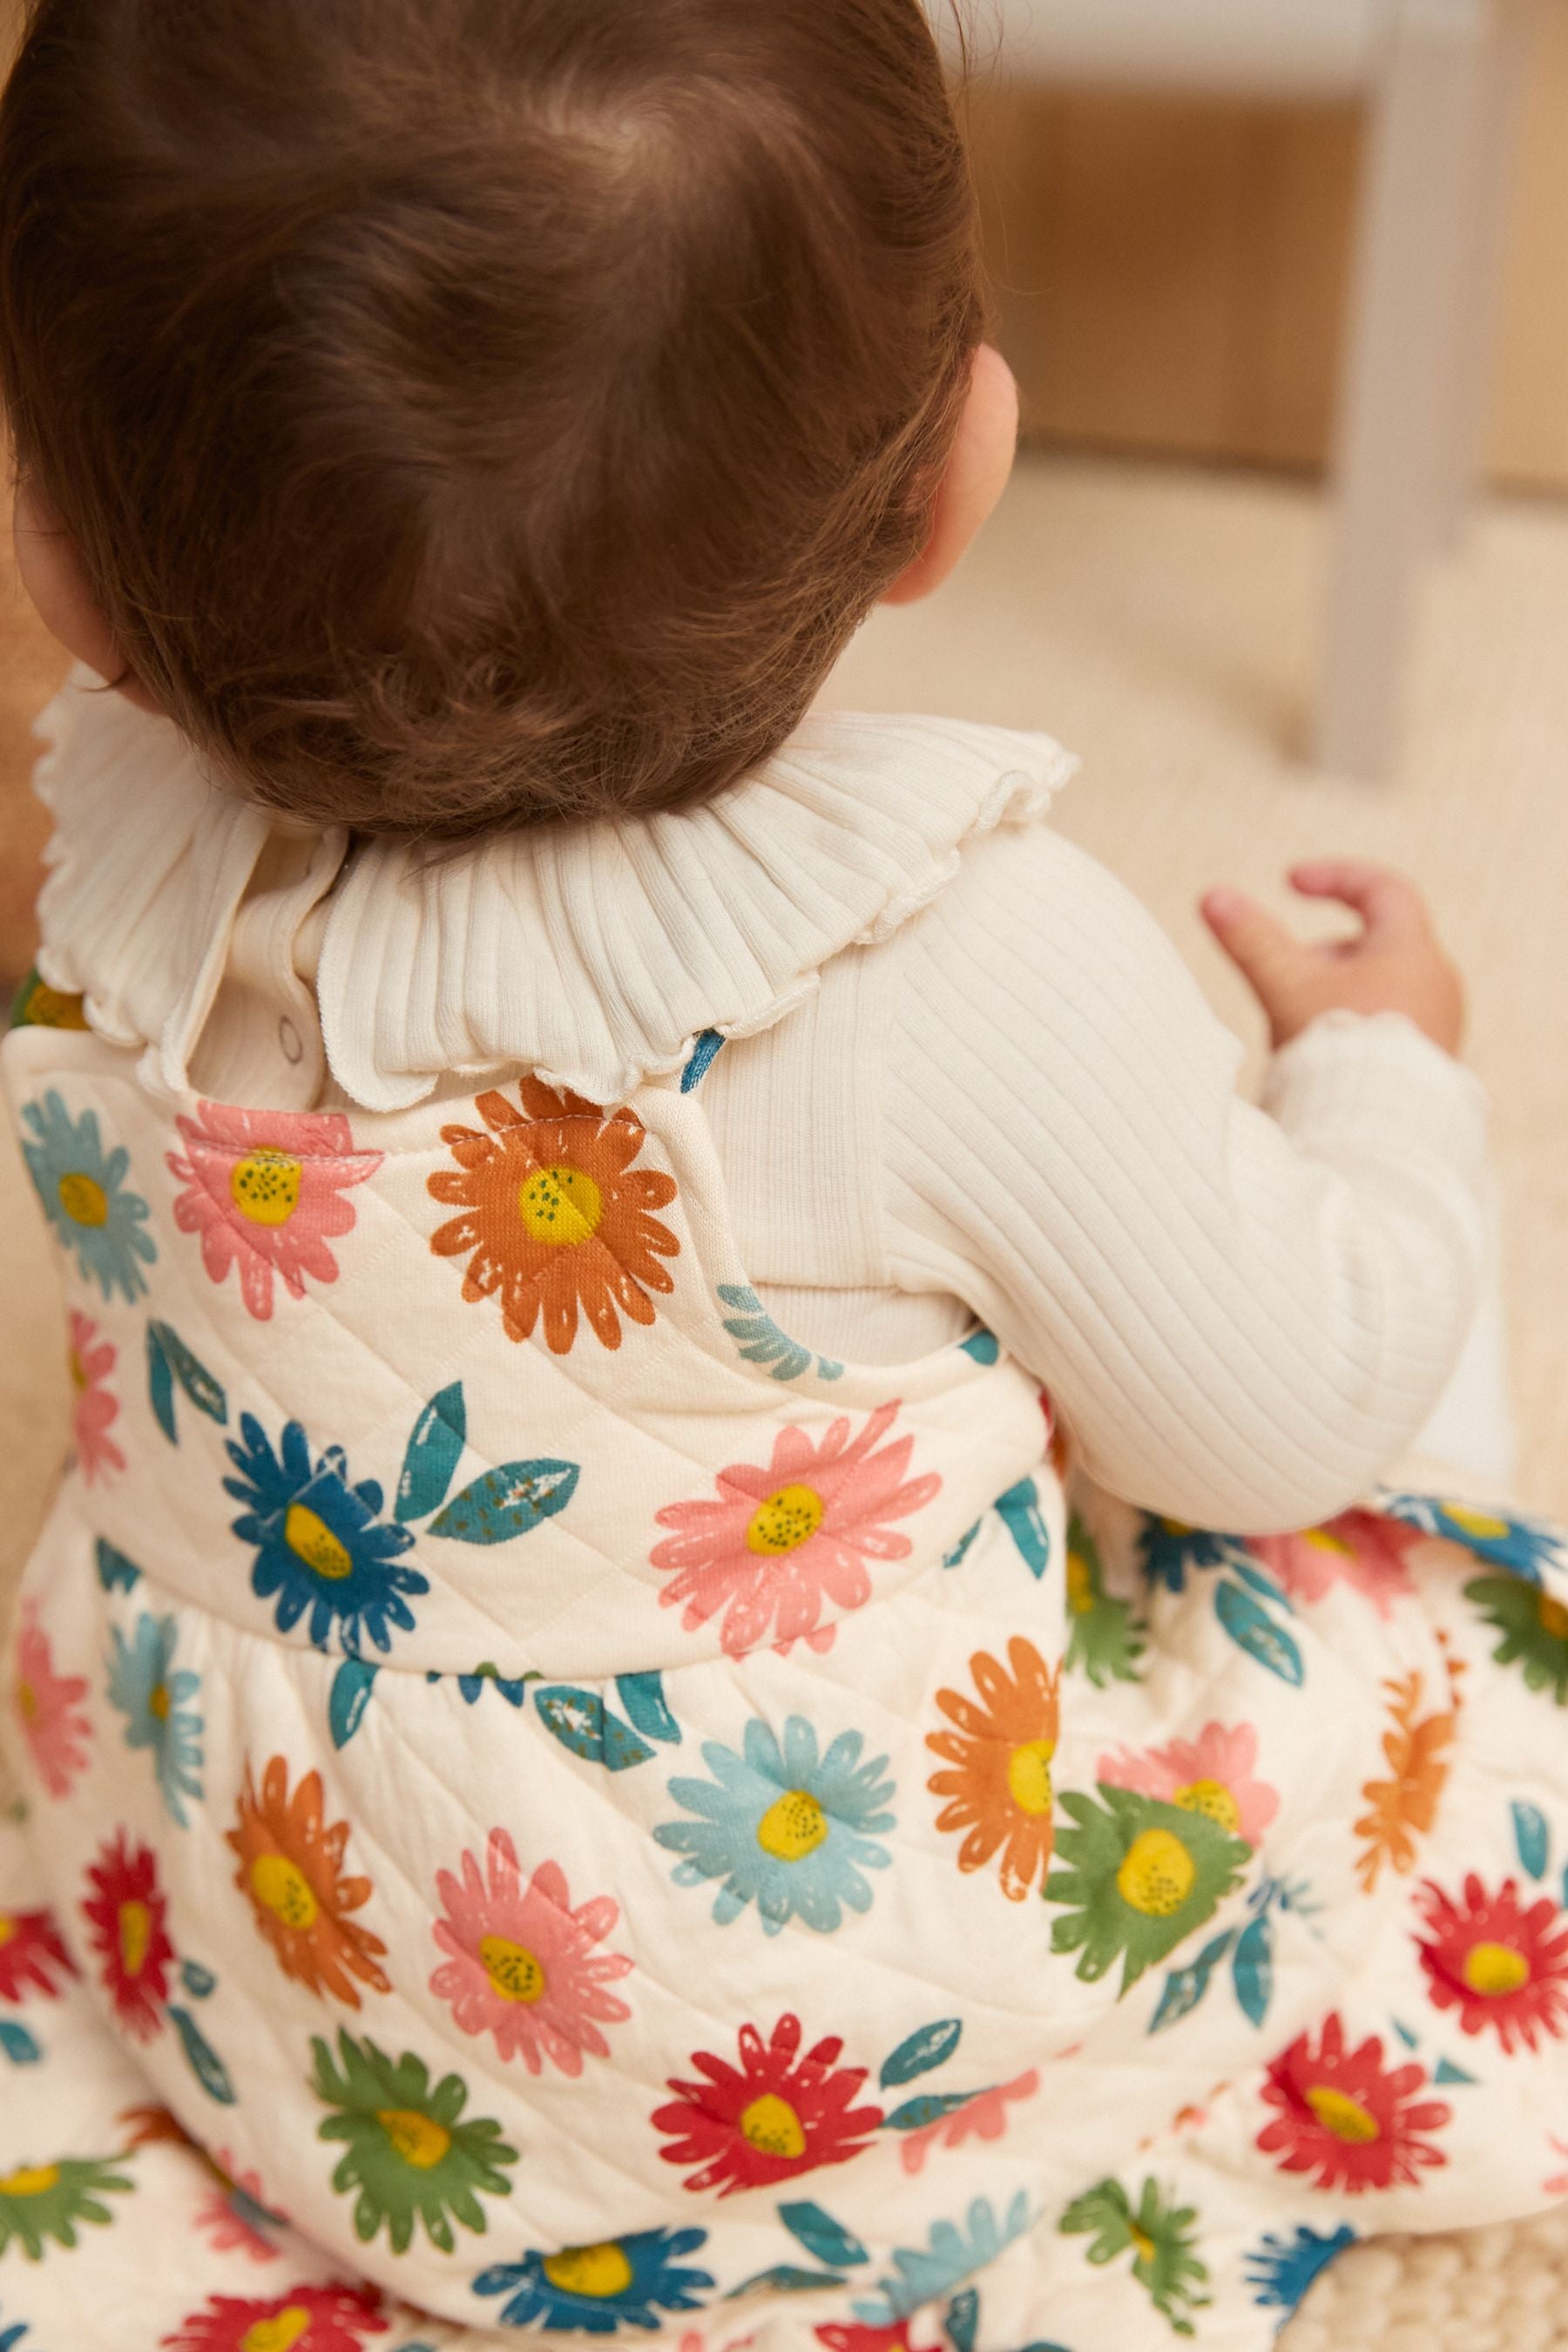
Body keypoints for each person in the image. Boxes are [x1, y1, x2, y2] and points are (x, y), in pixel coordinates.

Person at [0, 4, 1562, 2347]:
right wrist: (1378, 1079)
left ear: (60, 569)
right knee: (1410, 1580)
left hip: (275, 1974)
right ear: (960, 475)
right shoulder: (963, 968)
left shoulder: (109, 891)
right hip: (798, 2066)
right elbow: (1277, 1415)